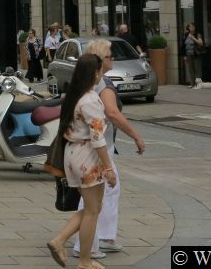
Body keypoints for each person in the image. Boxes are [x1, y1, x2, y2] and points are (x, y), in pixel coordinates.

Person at [71, 39, 146, 260]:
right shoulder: (103, 84)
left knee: (105, 192)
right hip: (98, 148)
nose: (113, 58)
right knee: (94, 198)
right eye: (110, 55)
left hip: (87, 147)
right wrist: (136, 136)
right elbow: (112, 114)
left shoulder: (85, 82)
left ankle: (104, 236)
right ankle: (85, 246)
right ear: (100, 60)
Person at [46, 53, 117, 269]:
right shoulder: (90, 100)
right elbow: (97, 138)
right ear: (93, 73)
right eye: (99, 71)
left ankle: (60, 241)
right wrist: (109, 167)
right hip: (88, 157)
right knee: (93, 211)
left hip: (73, 154)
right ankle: (84, 260)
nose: (100, 75)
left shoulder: (74, 96)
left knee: (90, 208)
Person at [182, 22, 205, 87]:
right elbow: (184, 45)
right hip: (188, 54)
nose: (191, 28)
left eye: (193, 26)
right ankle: (192, 83)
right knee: (191, 69)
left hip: (196, 54)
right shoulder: (186, 34)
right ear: (188, 28)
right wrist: (185, 56)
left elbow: (201, 43)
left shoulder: (197, 34)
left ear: (195, 27)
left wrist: (193, 38)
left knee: (197, 69)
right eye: (190, 27)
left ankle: (198, 84)